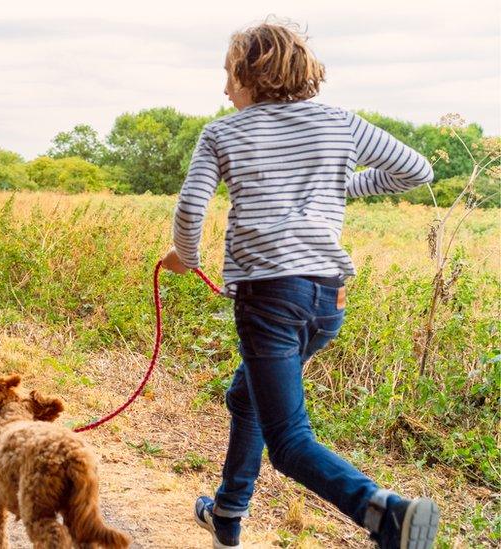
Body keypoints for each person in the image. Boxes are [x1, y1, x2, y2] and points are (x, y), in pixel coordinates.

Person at [161, 20, 439, 549]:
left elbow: (192, 206)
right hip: (326, 298)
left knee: (288, 442)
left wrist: (186, 257)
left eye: (228, 75)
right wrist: (334, 191)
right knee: (247, 397)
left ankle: (390, 516)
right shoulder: (340, 123)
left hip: (268, 297)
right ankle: (227, 511)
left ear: (249, 73)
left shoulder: (223, 132)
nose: (224, 89)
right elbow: (417, 170)